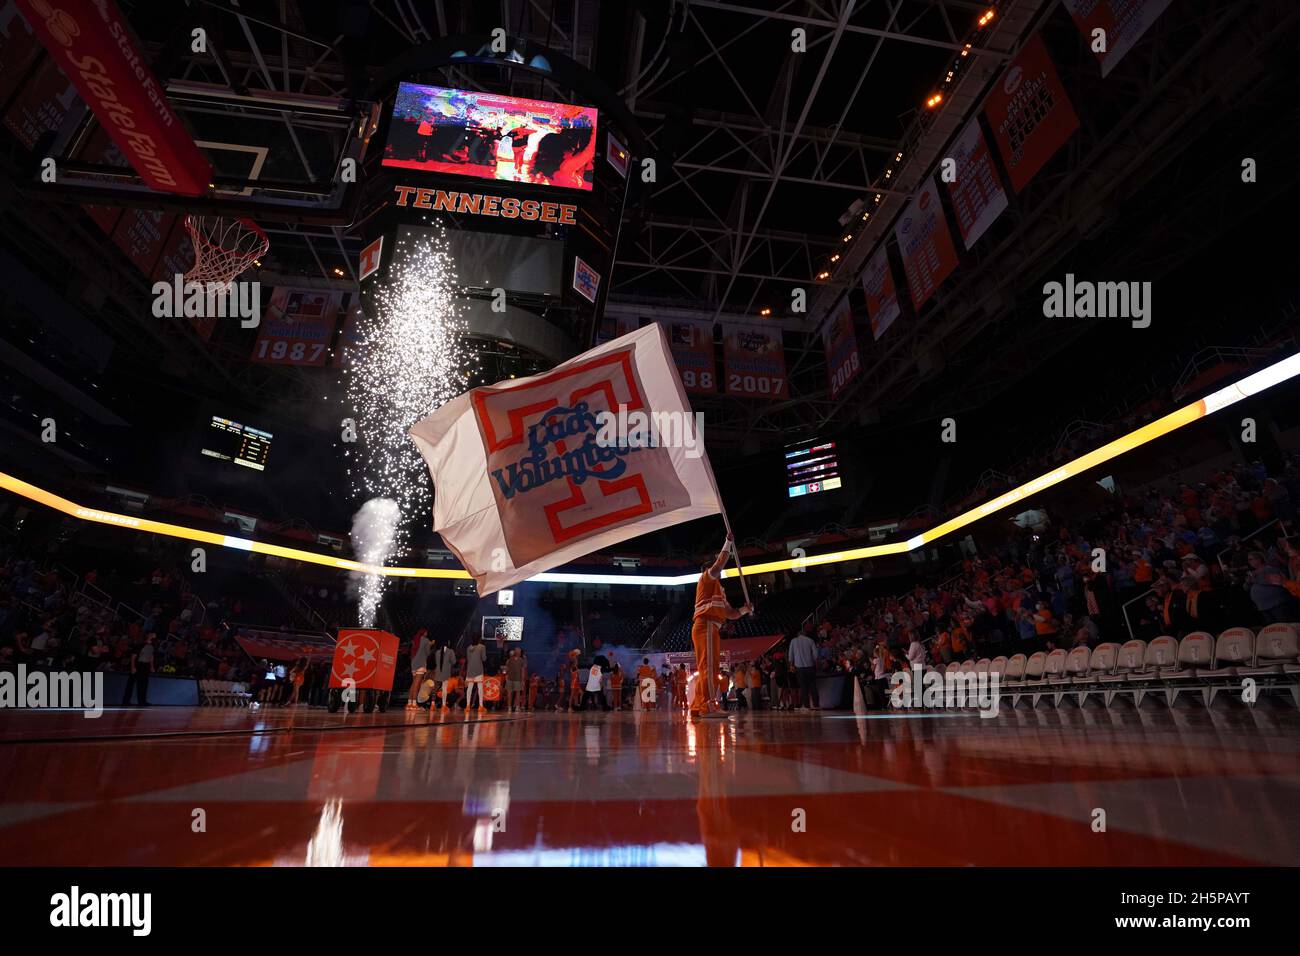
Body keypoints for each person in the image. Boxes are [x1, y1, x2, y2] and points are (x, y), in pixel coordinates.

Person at [691, 534, 752, 719]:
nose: (717, 570)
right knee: (709, 668)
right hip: (706, 625)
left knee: (709, 668)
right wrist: (728, 543)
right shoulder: (706, 579)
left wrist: (744, 609)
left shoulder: (719, 591)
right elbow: (718, 565)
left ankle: (698, 705)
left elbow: (731, 613)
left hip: (710, 627)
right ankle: (708, 705)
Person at [787, 625, 819, 711]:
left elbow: (790, 655)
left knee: (803, 687)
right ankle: (816, 705)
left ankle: (807, 706)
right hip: (810, 667)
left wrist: (791, 665)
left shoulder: (793, 641)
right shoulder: (810, 640)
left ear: (798, 634)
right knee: (813, 686)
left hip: (799, 668)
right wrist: (815, 663)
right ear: (804, 634)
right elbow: (815, 654)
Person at [121, 633, 156, 706]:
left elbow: (151, 656)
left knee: (144, 684)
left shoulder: (153, 645)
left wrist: (151, 666)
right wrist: (133, 667)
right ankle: (126, 701)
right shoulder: (140, 645)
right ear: (148, 636)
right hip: (138, 664)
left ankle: (142, 701)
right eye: (152, 634)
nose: (154, 635)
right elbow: (133, 656)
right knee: (131, 683)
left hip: (145, 666)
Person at [406, 628, 431, 709]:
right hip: (421, 663)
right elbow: (427, 653)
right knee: (417, 684)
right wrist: (430, 645)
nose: (427, 633)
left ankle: (409, 703)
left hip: (413, 663)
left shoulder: (415, 639)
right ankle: (414, 704)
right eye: (426, 632)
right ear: (424, 633)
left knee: (413, 684)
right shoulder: (426, 640)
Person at [431, 639, 457, 711]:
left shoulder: (437, 652)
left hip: (438, 671)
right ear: (448, 644)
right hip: (446, 672)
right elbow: (454, 661)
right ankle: (443, 705)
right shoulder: (450, 651)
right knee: (444, 688)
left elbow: (436, 662)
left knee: (435, 688)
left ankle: (432, 705)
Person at [464, 635, 487, 714]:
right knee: (480, 688)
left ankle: (467, 706)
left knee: (469, 688)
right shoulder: (482, 647)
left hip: (470, 670)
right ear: (479, 639)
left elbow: (468, 659)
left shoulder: (468, 648)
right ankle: (480, 706)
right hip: (478, 670)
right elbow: (484, 659)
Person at [505, 648, 526, 712]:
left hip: (517, 679)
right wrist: (506, 677)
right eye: (518, 651)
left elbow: (522, 671)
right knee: (510, 693)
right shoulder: (509, 660)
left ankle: (516, 707)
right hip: (511, 679)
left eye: (519, 651)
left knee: (517, 693)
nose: (519, 652)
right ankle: (509, 707)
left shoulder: (521, 660)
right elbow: (506, 670)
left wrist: (522, 680)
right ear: (516, 652)